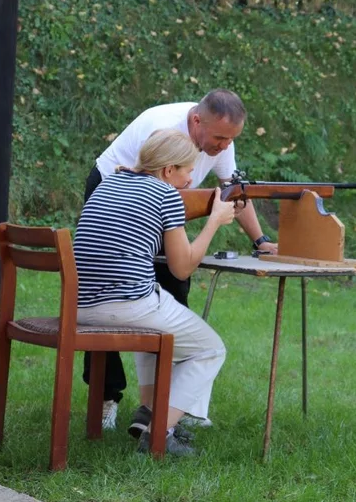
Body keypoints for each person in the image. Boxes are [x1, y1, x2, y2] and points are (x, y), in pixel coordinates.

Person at [81, 88, 278, 430]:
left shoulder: (209, 145)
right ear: (196, 122)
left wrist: (260, 240)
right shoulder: (160, 133)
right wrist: (213, 220)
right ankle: (113, 402)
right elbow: (182, 262)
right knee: (142, 301)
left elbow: (233, 190)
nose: (224, 147)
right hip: (116, 190)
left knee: (167, 300)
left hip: (82, 300)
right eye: (219, 138)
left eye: (231, 140)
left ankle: (163, 403)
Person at [74, 129, 235, 456]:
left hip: (81, 307)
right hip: (125, 306)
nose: (190, 180)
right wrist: (214, 221)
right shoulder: (166, 195)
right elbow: (182, 268)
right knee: (211, 350)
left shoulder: (108, 184)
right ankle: (158, 432)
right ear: (167, 171)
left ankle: (148, 412)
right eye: (188, 171)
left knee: (155, 329)